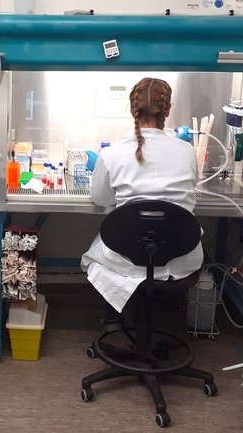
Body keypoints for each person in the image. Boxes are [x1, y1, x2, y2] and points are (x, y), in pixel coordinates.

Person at [81, 77, 203, 328]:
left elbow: (101, 199)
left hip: (127, 256)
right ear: (167, 110)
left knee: (97, 254)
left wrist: (100, 169)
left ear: (132, 110)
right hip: (179, 256)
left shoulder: (112, 153)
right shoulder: (187, 151)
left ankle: (113, 317)